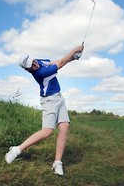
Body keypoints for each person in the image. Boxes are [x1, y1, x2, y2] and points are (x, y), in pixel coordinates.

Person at [5, 45, 84, 176]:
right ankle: (17, 149)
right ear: (27, 69)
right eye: (31, 65)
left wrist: (74, 58)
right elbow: (61, 63)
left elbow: (54, 62)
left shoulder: (38, 61)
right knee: (47, 131)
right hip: (49, 101)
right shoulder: (40, 73)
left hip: (59, 97)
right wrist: (74, 51)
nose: (35, 64)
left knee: (64, 127)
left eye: (34, 61)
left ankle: (57, 162)